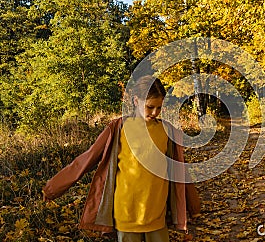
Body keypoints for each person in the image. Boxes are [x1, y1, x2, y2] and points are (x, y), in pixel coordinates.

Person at [43, 75, 201, 242]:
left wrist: (193, 205)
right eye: (150, 107)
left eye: (159, 108)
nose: (155, 112)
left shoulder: (167, 131)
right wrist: (53, 188)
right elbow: (86, 160)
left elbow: (180, 170)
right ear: (135, 101)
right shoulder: (118, 128)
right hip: (126, 213)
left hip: (157, 212)